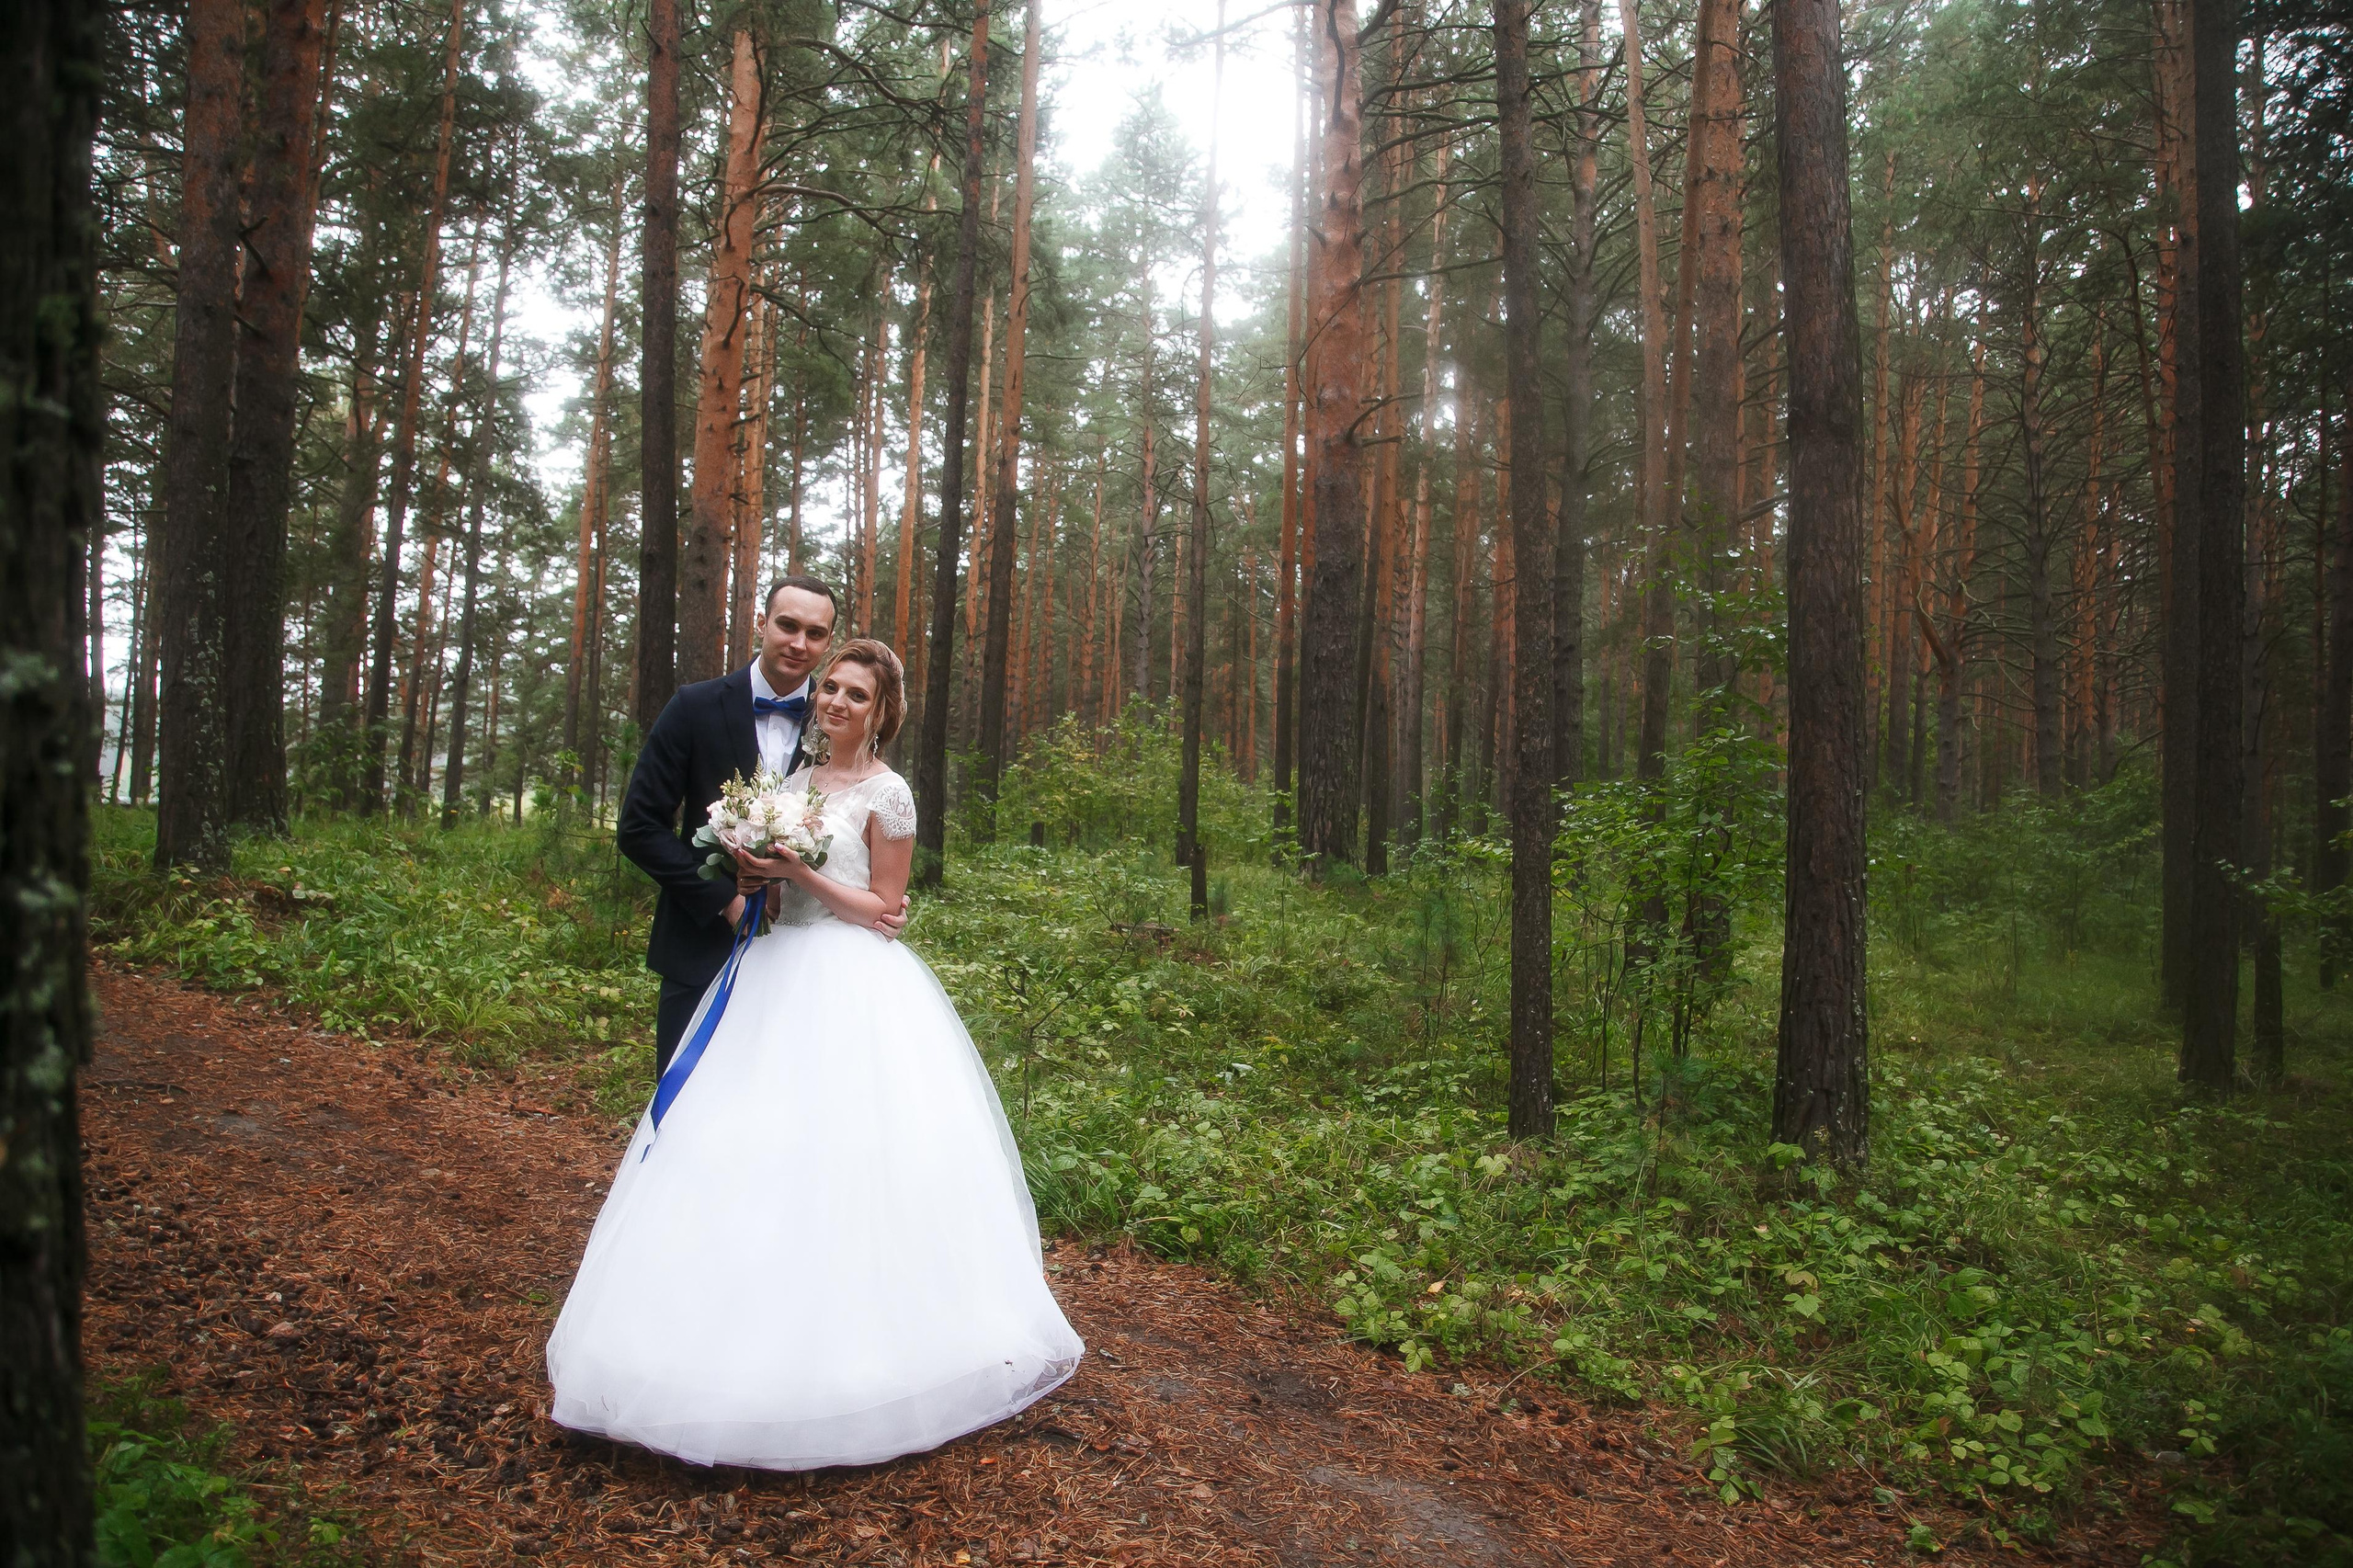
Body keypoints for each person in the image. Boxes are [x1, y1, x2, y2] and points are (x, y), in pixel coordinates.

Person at [548, 639, 1085, 1470]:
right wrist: (755, 871)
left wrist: (801, 870)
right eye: (829, 689)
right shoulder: (790, 788)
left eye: (854, 694)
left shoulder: (891, 793)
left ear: (882, 711)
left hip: (850, 984)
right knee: (738, 1151)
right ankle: (704, 1344)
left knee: (846, 1161)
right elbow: (771, 884)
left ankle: (856, 1362)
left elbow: (884, 904)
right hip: (768, 974)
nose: (834, 702)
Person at [616, 576, 905, 1074]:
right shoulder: (694, 707)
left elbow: (862, 834)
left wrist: (880, 901)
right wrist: (724, 901)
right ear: (761, 624)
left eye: (815, 634)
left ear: (828, 642)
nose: (799, 643)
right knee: (688, 1103)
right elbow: (640, 826)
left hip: (808, 971)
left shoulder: (840, 711)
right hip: (700, 944)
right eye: (787, 626)